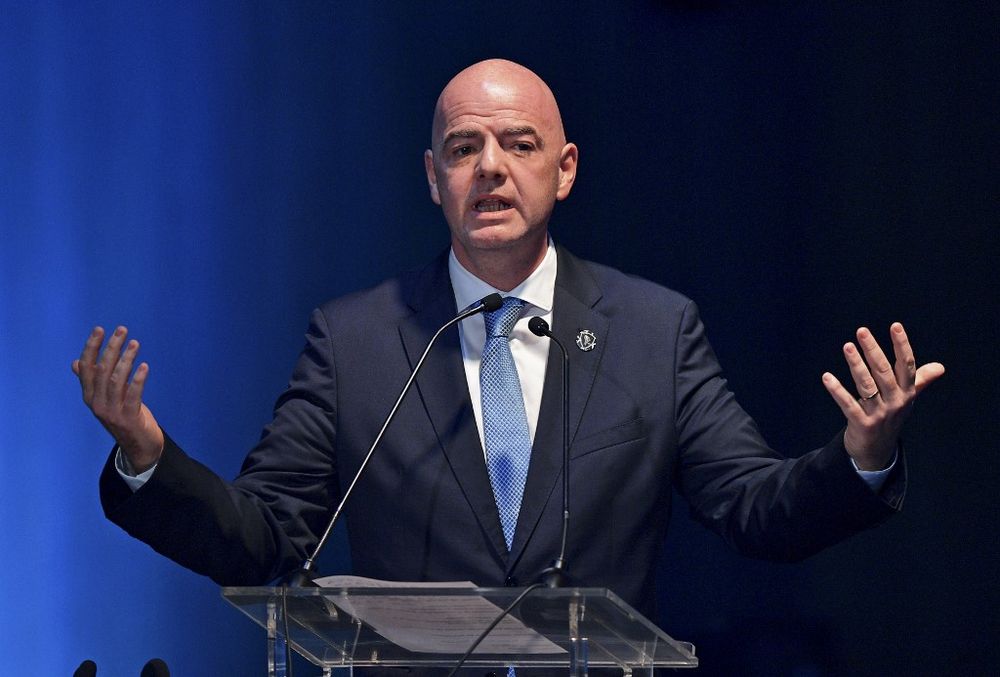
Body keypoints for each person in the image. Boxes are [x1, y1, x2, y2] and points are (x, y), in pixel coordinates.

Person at [74, 58, 943, 640]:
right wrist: (150, 459)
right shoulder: (355, 341)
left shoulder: (654, 330)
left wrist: (860, 457)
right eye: (464, 148)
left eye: (517, 144)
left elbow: (756, 509)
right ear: (432, 178)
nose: (490, 165)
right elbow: (262, 540)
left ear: (563, 169)